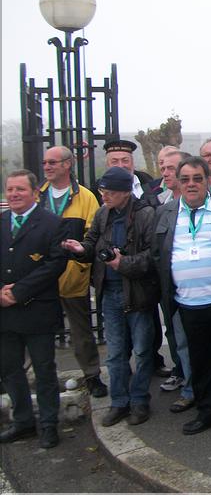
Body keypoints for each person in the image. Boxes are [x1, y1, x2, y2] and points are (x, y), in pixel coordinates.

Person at [151, 156, 211, 446]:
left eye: (197, 178)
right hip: (187, 303)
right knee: (201, 361)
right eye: (185, 179)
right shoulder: (166, 213)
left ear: (207, 180)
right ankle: (209, 412)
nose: (191, 184)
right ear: (178, 183)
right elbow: (159, 255)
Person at [62, 167, 159, 428]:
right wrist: (81, 249)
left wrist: (123, 263)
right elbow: (92, 242)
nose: (105, 196)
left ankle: (139, 400)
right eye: (103, 191)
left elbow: (153, 256)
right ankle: (119, 402)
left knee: (142, 350)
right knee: (115, 354)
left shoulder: (146, 214)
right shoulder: (102, 213)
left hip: (138, 293)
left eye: (111, 192)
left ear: (126, 192)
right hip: (109, 292)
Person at [1, 170, 67, 449]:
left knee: (44, 370)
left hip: (37, 310)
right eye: (10, 189)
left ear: (34, 193)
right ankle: (23, 421)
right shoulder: (2, 221)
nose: (14, 194)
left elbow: (55, 264)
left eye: (20, 189)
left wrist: (19, 291)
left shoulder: (52, 224)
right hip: (5, 312)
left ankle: (49, 424)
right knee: (10, 369)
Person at [38, 146, 107, 398]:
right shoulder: (38, 196)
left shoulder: (86, 197)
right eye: (45, 162)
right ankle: (31, 376)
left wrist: (79, 265)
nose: (47, 167)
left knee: (81, 331)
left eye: (53, 162)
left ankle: (92, 376)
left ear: (67, 165)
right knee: (36, 330)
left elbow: (92, 235)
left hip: (71, 277)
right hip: (41, 278)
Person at [97, 139, 169, 379]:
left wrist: (126, 263)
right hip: (112, 283)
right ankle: (123, 387)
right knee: (117, 346)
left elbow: (154, 245)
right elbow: (93, 238)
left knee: (147, 333)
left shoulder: (149, 184)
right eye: (115, 161)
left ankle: (152, 366)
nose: (121, 164)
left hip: (142, 280)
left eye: (125, 160)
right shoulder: (101, 197)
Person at [146, 149, 196, 413]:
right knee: (182, 342)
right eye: (163, 168)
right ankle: (190, 388)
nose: (165, 173)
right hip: (176, 291)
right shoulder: (162, 210)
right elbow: (157, 252)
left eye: (170, 169)